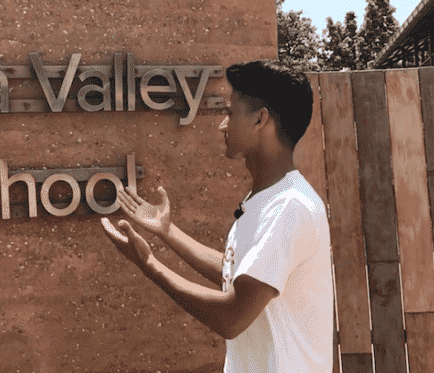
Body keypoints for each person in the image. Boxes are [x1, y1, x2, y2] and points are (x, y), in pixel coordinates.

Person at [101, 60, 333, 372]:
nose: (222, 125)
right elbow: (236, 274)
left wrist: (150, 265)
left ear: (260, 120)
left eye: (230, 113)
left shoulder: (289, 207)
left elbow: (231, 317)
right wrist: (167, 232)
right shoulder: (268, 199)